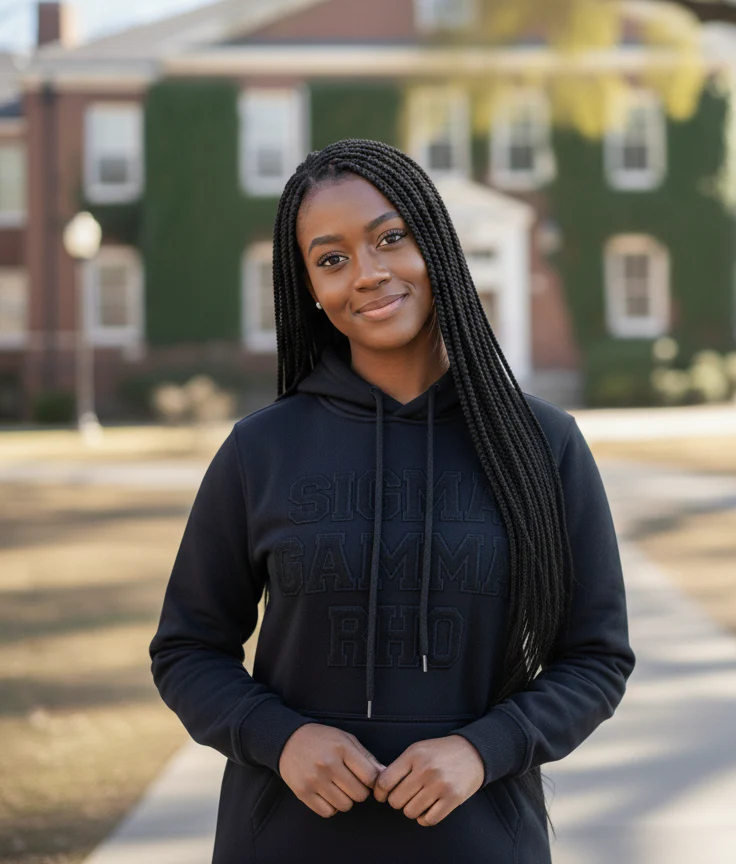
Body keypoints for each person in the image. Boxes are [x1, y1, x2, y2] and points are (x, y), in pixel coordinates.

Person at [149, 138, 635, 864]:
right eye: (332, 258)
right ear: (309, 285)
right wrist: (280, 738)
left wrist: (485, 748)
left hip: (480, 838)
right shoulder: (261, 450)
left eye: (391, 238)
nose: (369, 274)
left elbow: (596, 658)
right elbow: (187, 650)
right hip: (285, 839)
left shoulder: (544, 443)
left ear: (434, 243)